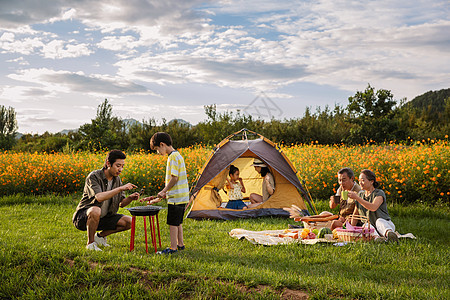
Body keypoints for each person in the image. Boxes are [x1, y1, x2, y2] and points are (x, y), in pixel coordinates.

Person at [72, 150, 139, 251]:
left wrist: (130, 198)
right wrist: (120, 188)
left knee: (129, 221)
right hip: (83, 218)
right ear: (108, 163)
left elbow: (121, 203)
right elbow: (99, 197)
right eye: (118, 165)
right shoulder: (94, 176)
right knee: (95, 210)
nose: (120, 169)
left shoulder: (117, 180)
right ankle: (90, 244)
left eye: (122, 166)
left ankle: (99, 237)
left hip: (104, 218)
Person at [144, 132, 189, 254]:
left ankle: (173, 248)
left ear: (162, 144)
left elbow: (174, 178)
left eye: (157, 149)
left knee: (172, 223)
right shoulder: (178, 155)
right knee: (178, 222)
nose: (158, 152)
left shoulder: (172, 157)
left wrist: (164, 191)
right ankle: (180, 244)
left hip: (175, 197)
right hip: (182, 196)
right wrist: (164, 194)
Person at [348, 169, 399, 243]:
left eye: (363, 180)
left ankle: (389, 234)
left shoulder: (379, 193)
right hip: (370, 226)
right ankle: (377, 238)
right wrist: (351, 229)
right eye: (359, 181)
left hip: (384, 224)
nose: (360, 183)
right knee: (365, 226)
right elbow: (355, 214)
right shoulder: (360, 195)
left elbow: (373, 207)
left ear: (371, 181)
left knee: (379, 221)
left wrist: (357, 198)